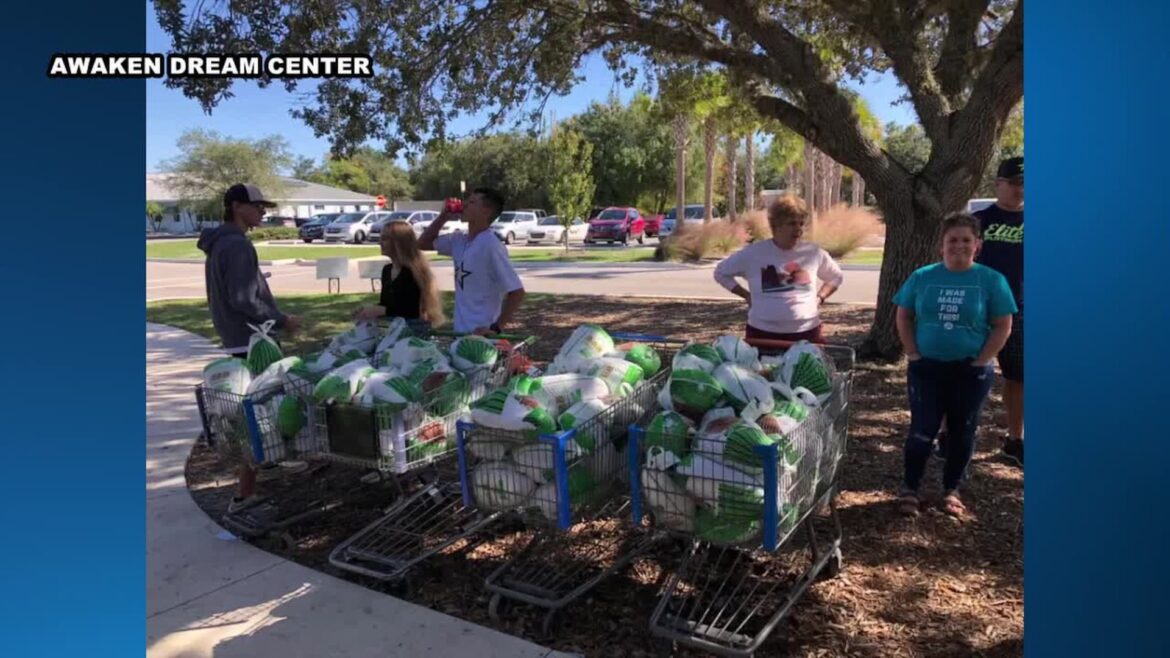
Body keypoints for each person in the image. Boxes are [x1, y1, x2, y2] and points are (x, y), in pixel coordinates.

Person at [893, 213, 1017, 519]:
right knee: (922, 430)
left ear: (978, 245)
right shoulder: (922, 277)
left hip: (971, 371)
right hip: (927, 369)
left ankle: (951, 489)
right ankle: (911, 487)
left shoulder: (991, 281)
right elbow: (904, 315)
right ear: (941, 246)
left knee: (964, 430)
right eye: (952, 240)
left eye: (965, 240)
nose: (958, 246)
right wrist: (912, 352)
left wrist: (982, 360)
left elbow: (1003, 324)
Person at [197, 183, 302, 513]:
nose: (263, 212)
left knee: (254, 414)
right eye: (257, 206)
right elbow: (243, 299)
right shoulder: (237, 245)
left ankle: (264, 462)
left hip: (236, 338)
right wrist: (281, 318)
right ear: (237, 206)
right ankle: (244, 497)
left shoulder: (219, 243)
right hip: (253, 341)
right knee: (258, 415)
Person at [713, 195, 843, 342]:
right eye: (792, 223)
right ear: (776, 225)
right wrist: (746, 295)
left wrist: (820, 297)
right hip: (762, 333)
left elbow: (836, 276)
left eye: (801, 223)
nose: (798, 229)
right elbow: (720, 273)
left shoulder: (813, 252)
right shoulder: (753, 253)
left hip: (807, 332)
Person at [418, 187, 525, 336]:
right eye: (467, 201)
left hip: (482, 336)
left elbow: (517, 292)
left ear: (486, 211)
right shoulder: (458, 239)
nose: (465, 205)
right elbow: (422, 244)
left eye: (472, 202)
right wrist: (443, 217)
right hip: (460, 332)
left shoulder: (491, 245)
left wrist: (496, 328)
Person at [975, 157, 1025, 466]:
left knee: (1018, 376)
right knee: (961, 370)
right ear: (999, 183)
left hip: (1020, 311)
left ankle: (1015, 439)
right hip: (978, 310)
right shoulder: (979, 221)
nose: (1021, 189)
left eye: (1025, 183)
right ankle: (949, 436)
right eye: (1015, 182)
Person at [354, 220, 446, 331]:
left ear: (399, 243)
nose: (380, 242)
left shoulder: (414, 271)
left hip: (413, 332)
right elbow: (388, 304)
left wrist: (380, 310)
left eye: (385, 239)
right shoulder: (387, 270)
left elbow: (412, 310)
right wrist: (367, 311)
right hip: (392, 330)